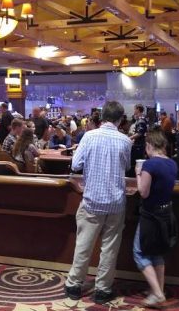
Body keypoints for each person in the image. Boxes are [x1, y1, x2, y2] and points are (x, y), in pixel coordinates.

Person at [65, 101, 132, 304]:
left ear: (102, 117)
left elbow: (75, 165)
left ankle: (74, 285)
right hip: (116, 201)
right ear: (120, 119)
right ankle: (103, 289)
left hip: (92, 200)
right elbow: (127, 166)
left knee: (84, 245)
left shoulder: (89, 136)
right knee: (109, 248)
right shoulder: (125, 141)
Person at [134, 130, 177, 307]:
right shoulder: (172, 163)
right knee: (157, 254)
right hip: (166, 213)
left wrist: (138, 173)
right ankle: (158, 290)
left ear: (149, 145)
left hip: (151, 215)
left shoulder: (150, 164)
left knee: (139, 253)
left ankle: (158, 294)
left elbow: (143, 192)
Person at [129, 104, 148, 176]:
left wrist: (129, 138)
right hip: (137, 144)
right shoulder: (139, 120)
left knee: (137, 162)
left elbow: (139, 133)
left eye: (135, 109)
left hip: (139, 145)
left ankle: (137, 177)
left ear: (138, 109)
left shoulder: (141, 120)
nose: (134, 111)